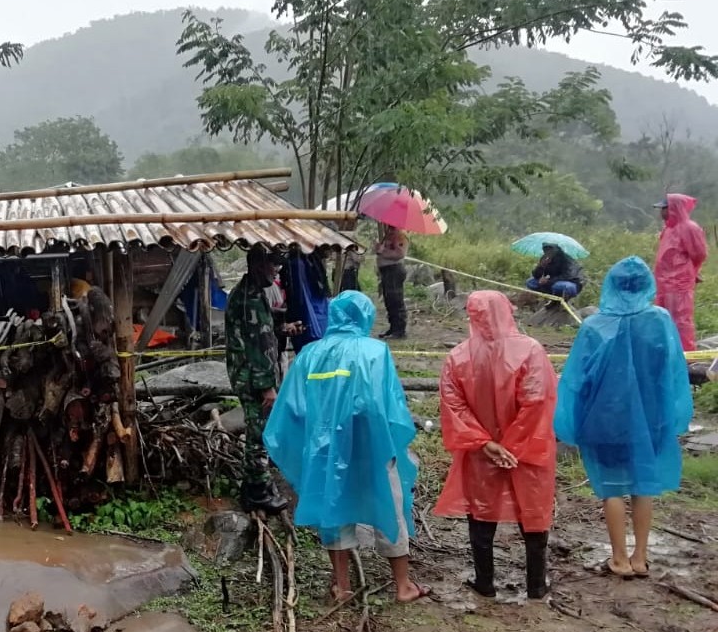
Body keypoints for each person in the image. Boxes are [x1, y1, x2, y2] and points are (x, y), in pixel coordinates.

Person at [264, 290, 429, 603]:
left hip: (325, 448)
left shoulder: (309, 354)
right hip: (372, 443)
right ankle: (403, 585)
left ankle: (342, 585)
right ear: (365, 316)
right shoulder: (375, 351)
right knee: (389, 503)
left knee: (333, 508)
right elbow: (389, 403)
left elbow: (294, 409)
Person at [555, 257, 692, 578]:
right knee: (643, 484)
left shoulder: (594, 325)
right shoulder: (660, 320)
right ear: (647, 284)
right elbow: (674, 371)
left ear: (611, 285)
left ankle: (619, 558)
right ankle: (640, 556)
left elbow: (577, 379)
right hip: (651, 415)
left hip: (606, 420)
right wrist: (673, 412)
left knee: (612, 487)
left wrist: (569, 420)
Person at [435, 291, 557, 600]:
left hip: (482, 453)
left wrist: (487, 444)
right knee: (533, 511)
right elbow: (537, 400)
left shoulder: (458, 357)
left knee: (481, 512)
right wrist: (512, 446)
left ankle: (485, 582)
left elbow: (454, 404)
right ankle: (536, 584)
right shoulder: (530, 350)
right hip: (528, 449)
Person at [225, 246, 303, 516]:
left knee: (260, 430)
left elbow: (261, 332)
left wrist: (284, 328)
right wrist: (267, 386)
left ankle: (253, 486)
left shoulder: (253, 294)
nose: (277, 270)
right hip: (252, 378)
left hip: (250, 374)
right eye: (273, 265)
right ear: (258, 265)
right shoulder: (250, 299)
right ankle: (257, 493)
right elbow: (256, 345)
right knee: (259, 434)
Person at [653, 193, 707, 351]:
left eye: (664, 208)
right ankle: (667, 350)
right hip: (663, 283)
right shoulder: (668, 229)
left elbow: (699, 254)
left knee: (681, 319)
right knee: (662, 317)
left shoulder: (690, 228)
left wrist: (691, 272)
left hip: (679, 283)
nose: (661, 212)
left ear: (674, 208)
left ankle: (686, 354)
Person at [375, 223, 408, 339]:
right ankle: (393, 327)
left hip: (394, 269)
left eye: (391, 226)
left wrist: (383, 252)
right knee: (388, 299)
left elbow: (400, 254)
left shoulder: (400, 237)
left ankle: (399, 330)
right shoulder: (387, 236)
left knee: (395, 299)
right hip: (386, 270)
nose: (388, 228)